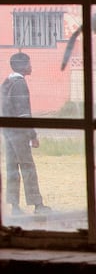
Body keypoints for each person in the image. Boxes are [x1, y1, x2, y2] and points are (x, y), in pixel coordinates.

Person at [2, 52, 48, 216]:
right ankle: (37, 204)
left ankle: (14, 205)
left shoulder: (7, 82)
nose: (31, 66)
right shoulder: (20, 84)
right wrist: (32, 134)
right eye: (29, 63)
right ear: (22, 66)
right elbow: (23, 113)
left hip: (8, 133)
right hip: (19, 133)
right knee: (28, 167)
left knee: (12, 168)